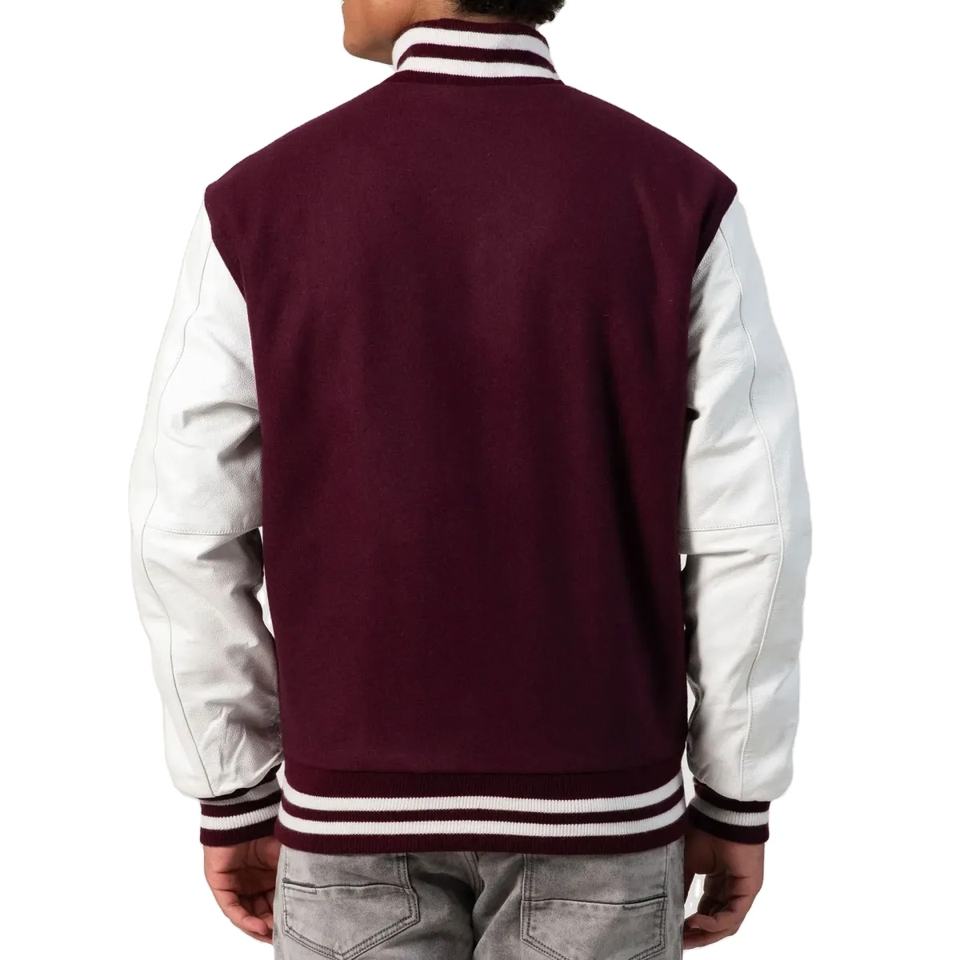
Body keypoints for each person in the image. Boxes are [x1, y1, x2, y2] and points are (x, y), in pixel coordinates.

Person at [127, 0, 812, 955]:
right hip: (602, 812)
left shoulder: (257, 205)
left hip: (348, 816)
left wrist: (232, 785)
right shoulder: (676, 194)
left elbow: (184, 529)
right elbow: (754, 533)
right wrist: (737, 792)